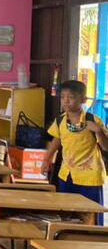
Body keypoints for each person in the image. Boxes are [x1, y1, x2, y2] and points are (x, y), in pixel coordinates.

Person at [43, 80, 107, 225]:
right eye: (62, 97)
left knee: (90, 216)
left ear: (83, 100)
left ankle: (91, 238)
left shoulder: (93, 120)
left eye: (71, 97)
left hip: (90, 176)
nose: (66, 101)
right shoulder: (60, 120)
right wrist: (46, 159)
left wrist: (98, 131)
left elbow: (105, 146)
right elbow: (57, 140)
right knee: (66, 214)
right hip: (67, 174)